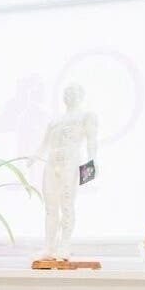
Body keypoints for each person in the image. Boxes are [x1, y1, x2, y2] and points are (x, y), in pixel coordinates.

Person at [38, 84, 98, 261]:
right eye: (66, 91)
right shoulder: (55, 121)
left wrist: (92, 161)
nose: (68, 94)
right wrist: (34, 156)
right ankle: (49, 247)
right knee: (50, 207)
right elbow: (44, 144)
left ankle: (65, 245)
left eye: (73, 91)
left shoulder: (86, 116)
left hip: (70, 161)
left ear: (81, 94)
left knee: (66, 203)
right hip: (51, 162)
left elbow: (92, 139)